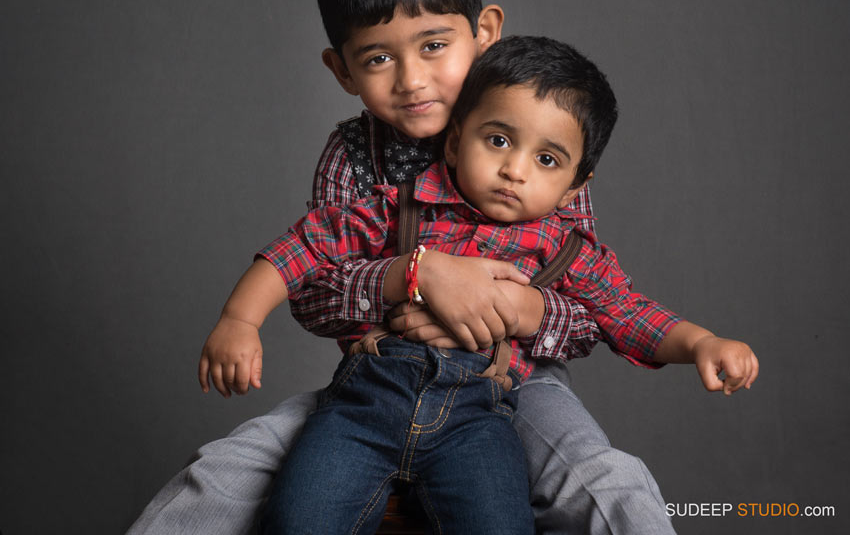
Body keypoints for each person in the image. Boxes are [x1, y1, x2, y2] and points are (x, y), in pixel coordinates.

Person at [127, 0, 750, 535]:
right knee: (218, 479)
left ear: (484, 33)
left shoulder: (540, 132)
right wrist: (414, 275)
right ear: (342, 70)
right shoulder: (354, 156)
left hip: (515, 382)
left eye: (433, 46)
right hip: (377, 378)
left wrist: (522, 309)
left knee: (608, 481)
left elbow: (598, 309)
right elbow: (313, 292)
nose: (412, 80)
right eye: (378, 58)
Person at [200, 35, 758, 534]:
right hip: (365, 404)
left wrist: (701, 342)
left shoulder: (567, 248)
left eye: (546, 159)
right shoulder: (400, 208)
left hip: (479, 418)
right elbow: (306, 245)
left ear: (574, 188)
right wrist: (240, 319)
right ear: (454, 142)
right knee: (300, 517)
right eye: (497, 141)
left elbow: (626, 312)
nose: (516, 170)